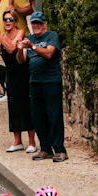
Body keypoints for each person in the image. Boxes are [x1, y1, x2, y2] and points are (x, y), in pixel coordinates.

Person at [18, 11, 66, 160]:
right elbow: (21, 60)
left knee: (54, 115)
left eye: (39, 23)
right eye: (34, 23)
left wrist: (32, 46)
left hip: (51, 81)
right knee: (37, 116)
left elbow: (49, 53)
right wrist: (19, 49)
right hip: (35, 82)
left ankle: (59, 149)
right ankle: (45, 148)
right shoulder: (30, 38)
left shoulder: (52, 36)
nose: (36, 25)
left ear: (44, 24)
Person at [0, 9, 36, 153]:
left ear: (15, 22)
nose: (7, 22)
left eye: (10, 19)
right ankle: (17, 140)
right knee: (13, 106)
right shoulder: (1, 36)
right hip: (11, 74)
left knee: (26, 105)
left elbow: (12, 48)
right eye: (5, 19)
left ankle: (32, 141)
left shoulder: (20, 33)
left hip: (23, 72)